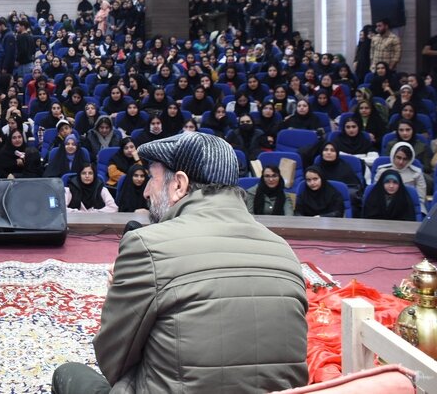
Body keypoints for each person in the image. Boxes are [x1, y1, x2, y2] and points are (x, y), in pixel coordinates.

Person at [53, 131, 308, 394]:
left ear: (179, 184)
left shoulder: (147, 246)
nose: (146, 191)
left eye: (152, 178)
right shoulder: (284, 252)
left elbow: (113, 361)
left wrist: (115, 294)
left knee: (68, 374)